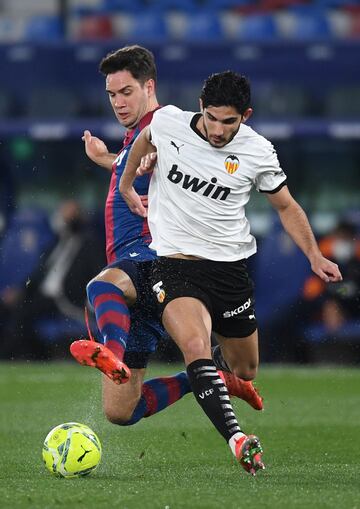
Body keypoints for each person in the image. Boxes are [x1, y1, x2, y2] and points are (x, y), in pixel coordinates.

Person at [119, 71, 343, 474]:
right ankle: (238, 438)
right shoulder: (169, 121)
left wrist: (314, 255)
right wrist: (127, 184)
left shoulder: (258, 150)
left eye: (229, 121)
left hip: (229, 272)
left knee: (244, 368)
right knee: (193, 343)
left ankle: (199, 378)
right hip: (174, 265)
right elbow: (144, 139)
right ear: (200, 107)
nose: (219, 130)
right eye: (211, 118)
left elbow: (286, 207)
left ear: (246, 115)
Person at [70, 48, 263, 435]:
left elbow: (172, 152)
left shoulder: (166, 122)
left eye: (126, 91)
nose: (118, 102)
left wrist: (146, 160)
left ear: (149, 86)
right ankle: (207, 377)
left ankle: (110, 352)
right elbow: (143, 159)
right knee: (121, 410)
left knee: (102, 287)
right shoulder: (136, 136)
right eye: (112, 95)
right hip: (135, 264)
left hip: (150, 254)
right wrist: (110, 158)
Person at [0, 199, 104, 359]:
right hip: (43, 295)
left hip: (66, 298)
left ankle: (11, 354)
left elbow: (97, 274)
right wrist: (20, 290)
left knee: (22, 313)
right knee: (9, 306)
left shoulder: (89, 243)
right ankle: (24, 352)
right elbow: (39, 273)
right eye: (64, 213)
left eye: (71, 214)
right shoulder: (57, 241)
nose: (66, 218)